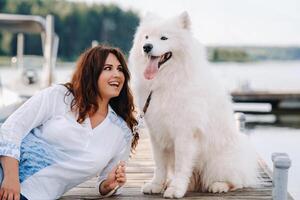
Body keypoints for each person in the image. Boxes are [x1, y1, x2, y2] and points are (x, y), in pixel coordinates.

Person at [0, 45, 139, 200]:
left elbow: (104, 183)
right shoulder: (60, 96)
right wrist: (10, 177)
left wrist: (109, 184)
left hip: (34, 195)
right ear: (91, 72)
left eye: (120, 69)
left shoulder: (121, 132)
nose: (117, 74)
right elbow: (11, 128)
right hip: (5, 172)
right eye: (108, 68)